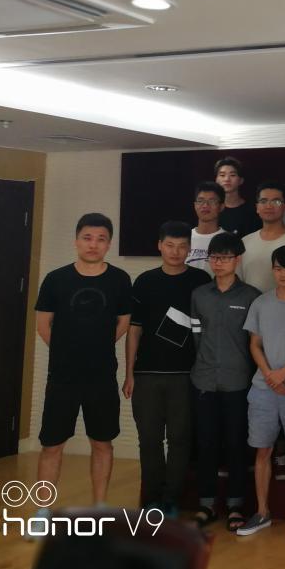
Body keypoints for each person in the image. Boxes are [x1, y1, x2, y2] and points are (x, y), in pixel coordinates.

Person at [35, 213, 132, 519]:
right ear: (76, 240)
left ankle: (99, 507)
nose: (93, 244)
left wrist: (96, 346)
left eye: (101, 239)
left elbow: (123, 322)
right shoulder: (56, 279)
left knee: (102, 443)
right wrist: (68, 350)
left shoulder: (120, 279)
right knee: (52, 445)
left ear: (109, 244)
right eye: (87, 238)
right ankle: (43, 510)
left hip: (101, 376)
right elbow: (43, 325)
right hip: (62, 376)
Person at [124, 221, 210, 517]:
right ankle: (152, 499)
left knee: (180, 439)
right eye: (170, 245)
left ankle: (172, 500)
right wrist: (129, 373)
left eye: (182, 246)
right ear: (159, 245)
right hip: (147, 374)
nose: (176, 252)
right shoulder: (144, 281)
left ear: (190, 249)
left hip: (186, 375)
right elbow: (134, 330)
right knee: (148, 440)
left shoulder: (200, 280)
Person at [236, 246, 285, 537]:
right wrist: (270, 373)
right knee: (262, 449)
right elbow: (254, 344)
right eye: (279, 268)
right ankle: (262, 511)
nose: (283, 274)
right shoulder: (261, 302)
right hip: (263, 387)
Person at [190, 232, 261, 532]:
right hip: (204, 380)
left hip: (238, 381)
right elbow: (196, 336)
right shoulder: (199, 295)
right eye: (215, 257)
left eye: (225, 258)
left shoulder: (251, 296)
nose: (219, 263)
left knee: (235, 444)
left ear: (237, 260)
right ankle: (206, 505)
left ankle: (235, 505)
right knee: (206, 443)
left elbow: (254, 342)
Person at [240, 182, 285, 293]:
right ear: (257, 207)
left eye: (276, 201)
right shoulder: (245, 242)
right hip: (249, 303)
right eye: (263, 201)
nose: (269, 206)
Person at [215, 156, 262, 237]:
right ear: (216, 179)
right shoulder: (212, 210)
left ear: (241, 180)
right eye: (222, 175)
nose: (227, 179)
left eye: (232, 175)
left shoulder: (253, 210)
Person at [187, 181, 227, 274]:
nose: (205, 205)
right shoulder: (185, 237)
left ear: (221, 206)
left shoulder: (227, 240)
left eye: (212, 201)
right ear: (195, 205)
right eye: (200, 201)